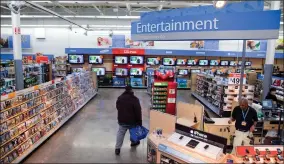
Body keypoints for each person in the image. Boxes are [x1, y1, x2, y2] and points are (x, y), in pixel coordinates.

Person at [115, 86, 142, 155]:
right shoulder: (135, 99)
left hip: (122, 120)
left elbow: (117, 107)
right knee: (133, 132)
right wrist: (139, 121)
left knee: (120, 133)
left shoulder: (120, 98)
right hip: (132, 121)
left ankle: (117, 148)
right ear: (131, 90)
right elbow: (138, 111)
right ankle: (133, 143)